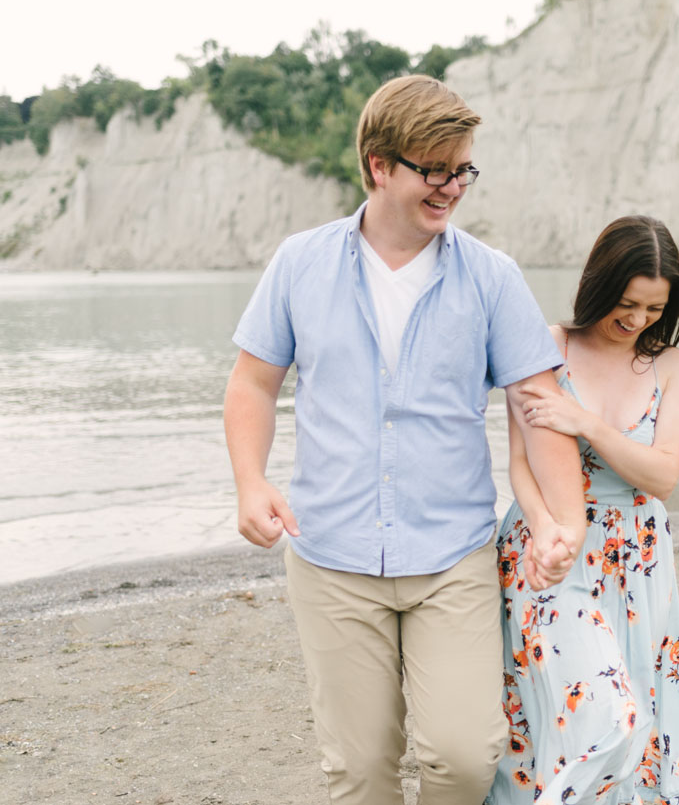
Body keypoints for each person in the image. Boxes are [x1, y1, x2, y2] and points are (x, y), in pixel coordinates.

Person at [223, 74, 586, 805]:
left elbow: (538, 401)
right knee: (358, 773)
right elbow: (252, 382)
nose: (452, 187)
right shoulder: (300, 264)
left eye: (463, 171)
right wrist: (250, 482)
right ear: (379, 165)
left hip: (451, 557)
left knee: (462, 754)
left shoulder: (492, 277)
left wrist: (565, 520)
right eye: (435, 170)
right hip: (331, 555)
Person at [487, 216, 679, 804]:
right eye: (628, 303)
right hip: (549, 544)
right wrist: (543, 534)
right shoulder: (546, 345)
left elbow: (663, 475)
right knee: (590, 714)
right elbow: (519, 463)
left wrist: (584, 422)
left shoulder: (674, 368)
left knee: (634, 714)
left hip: (637, 555)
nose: (637, 321)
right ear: (598, 283)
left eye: (655, 309)